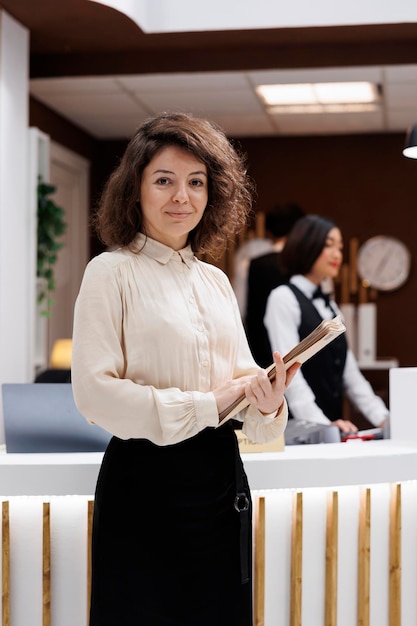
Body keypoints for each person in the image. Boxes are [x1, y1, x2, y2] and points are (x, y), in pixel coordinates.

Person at [71, 112, 299, 626]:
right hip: (143, 487)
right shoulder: (110, 272)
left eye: (196, 182)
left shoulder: (216, 282)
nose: (182, 196)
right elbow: (94, 394)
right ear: (135, 191)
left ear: (211, 194)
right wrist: (210, 403)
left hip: (221, 487)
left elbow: (243, 393)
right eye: (164, 180)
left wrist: (268, 401)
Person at [264, 214, 389, 435]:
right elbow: (290, 376)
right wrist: (321, 425)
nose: (337, 255)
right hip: (298, 428)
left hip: (332, 428)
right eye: (328, 245)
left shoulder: (331, 306)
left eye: (340, 248)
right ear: (306, 246)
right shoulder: (282, 298)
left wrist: (383, 418)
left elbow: (350, 374)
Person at [245, 203, 305, 367]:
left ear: (269, 232)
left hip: (262, 353)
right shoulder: (306, 265)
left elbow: (242, 307)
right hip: (303, 352)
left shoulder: (254, 263)